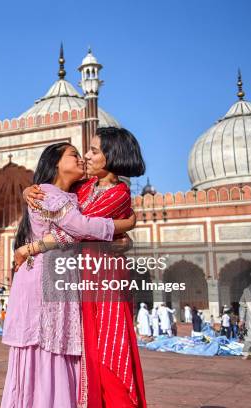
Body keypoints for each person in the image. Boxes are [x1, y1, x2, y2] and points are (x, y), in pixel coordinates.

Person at [17, 129, 147, 408]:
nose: (86, 156)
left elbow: (77, 230)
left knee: (109, 350)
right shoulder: (84, 187)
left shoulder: (118, 193)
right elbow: (56, 196)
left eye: (93, 151)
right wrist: (28, 189)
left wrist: (32, 248)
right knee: (80, 349)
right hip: (77, 277)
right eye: (81, 152)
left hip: (102, 281)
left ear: (112, 157)